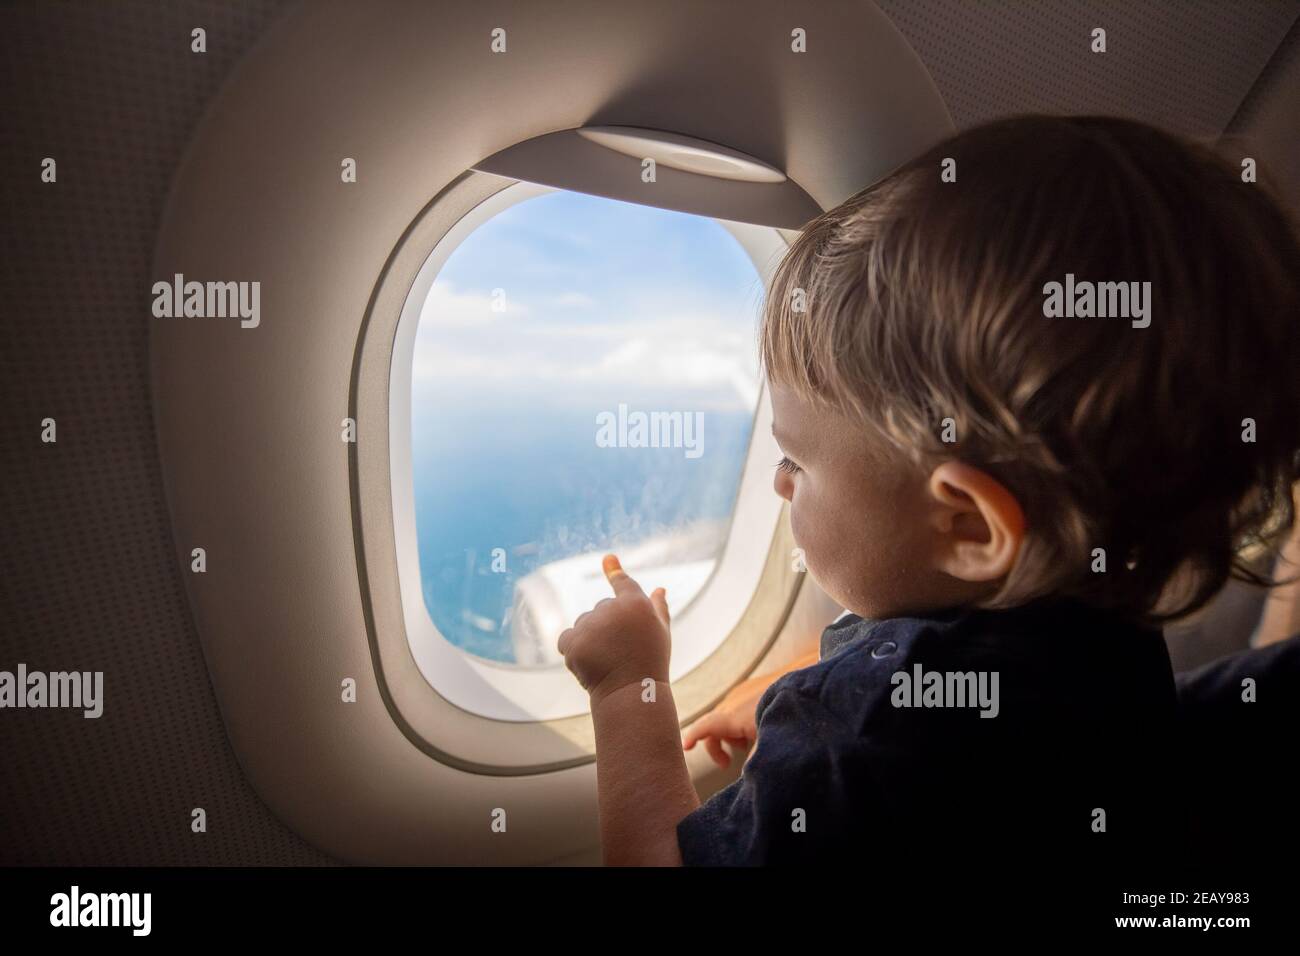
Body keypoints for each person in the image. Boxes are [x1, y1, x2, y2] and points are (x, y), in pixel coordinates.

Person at [555, 115, 1300, 866]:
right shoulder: (1102, 625)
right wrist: (803, 687)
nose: (780, 483)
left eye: (798, 462)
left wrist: (629, 690)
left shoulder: (861, 740)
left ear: (971, 529)